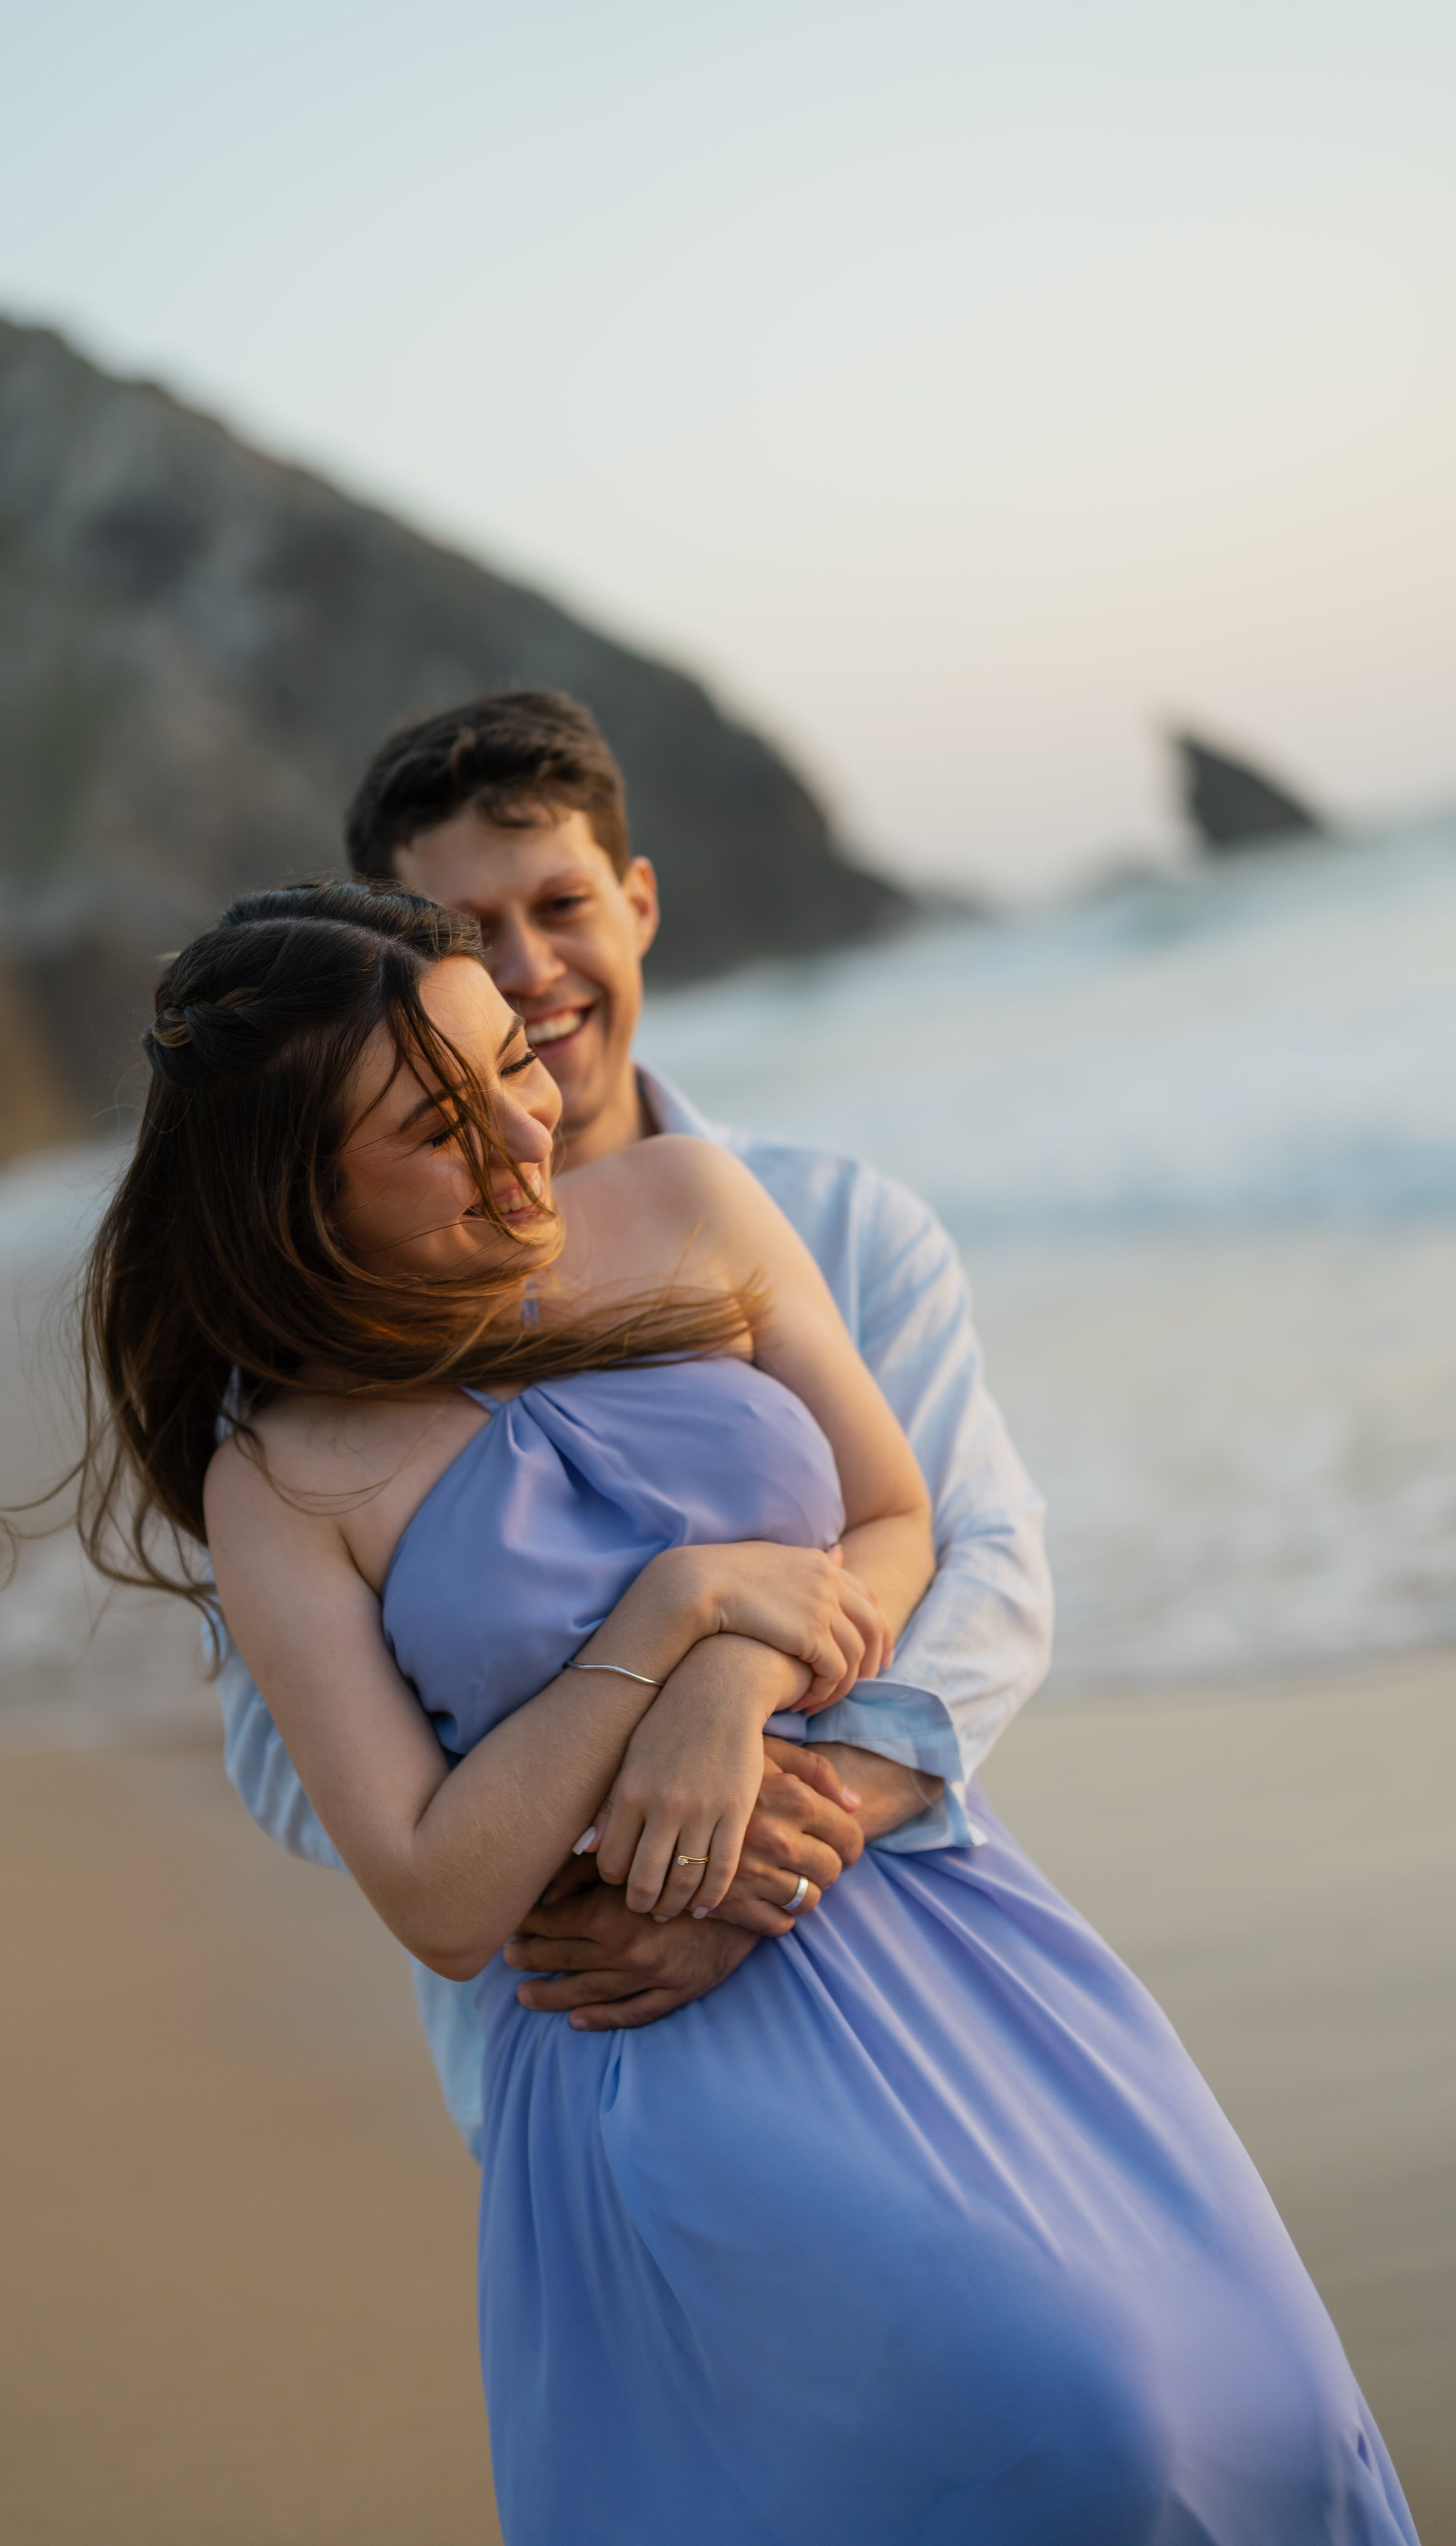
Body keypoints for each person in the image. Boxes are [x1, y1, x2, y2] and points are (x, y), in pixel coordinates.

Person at [77, 880, 1415, 2543]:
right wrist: (673, 1609)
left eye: (509, 1063)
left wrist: (738, 1670)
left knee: (1262, 2410)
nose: (522, 1130)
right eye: (436, 1127)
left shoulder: (694, 1201)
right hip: (649, 2032)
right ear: (300, 1199)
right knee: (1073, 2431)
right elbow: (432, 1889)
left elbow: (894, 1517)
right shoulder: (281, 1478)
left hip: (937, 1922)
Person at [219, 691, 1053, 2151]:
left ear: (638, 901)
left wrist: (780, 1828)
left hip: (887, 1907)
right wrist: (622, 1852)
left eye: (561, 903)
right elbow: (285, 1763)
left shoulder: (841, 1226)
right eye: (470, 930)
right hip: (587, 2003)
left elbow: (977, 1566)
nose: (529, 971)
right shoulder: (297, 1390)